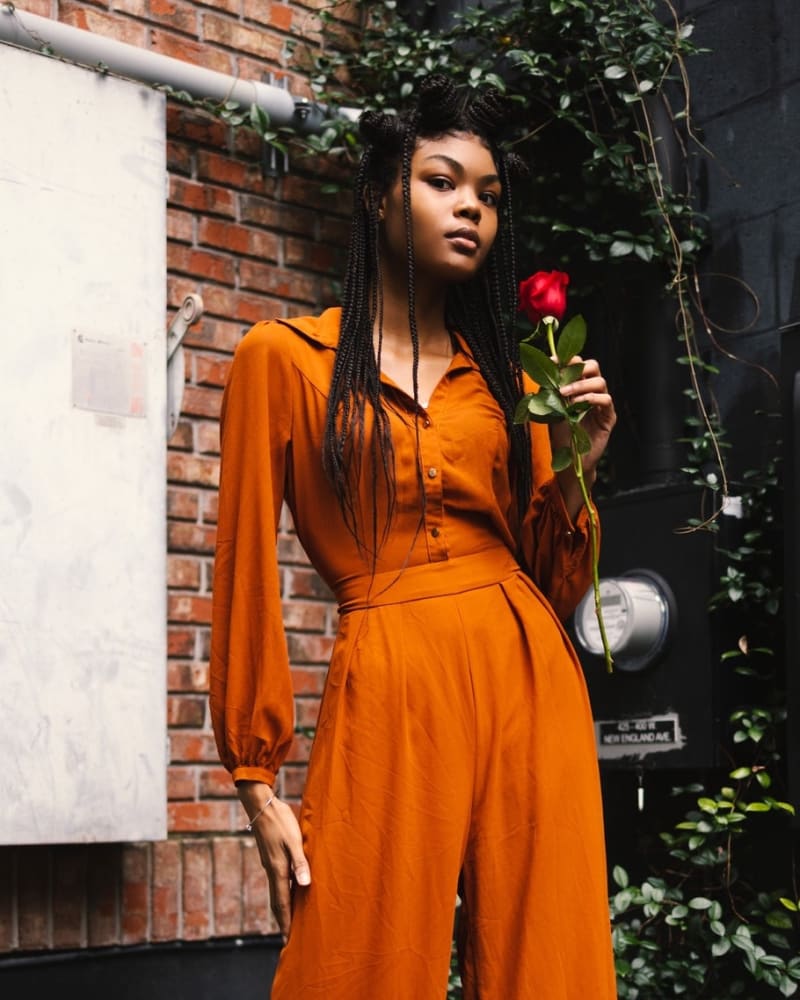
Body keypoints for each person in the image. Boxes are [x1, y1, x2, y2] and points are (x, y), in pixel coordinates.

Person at [210, 74, 618, 999]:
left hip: (527, 677)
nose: (471, 206)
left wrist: (582, 462)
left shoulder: (515, 387)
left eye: (487, 195)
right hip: (389, 674)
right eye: (443, 181)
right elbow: (242, 567)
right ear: (377, 194)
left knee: (546, 965)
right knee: (352, 966)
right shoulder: (285, 360)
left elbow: (553, 586)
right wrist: (254, 776)